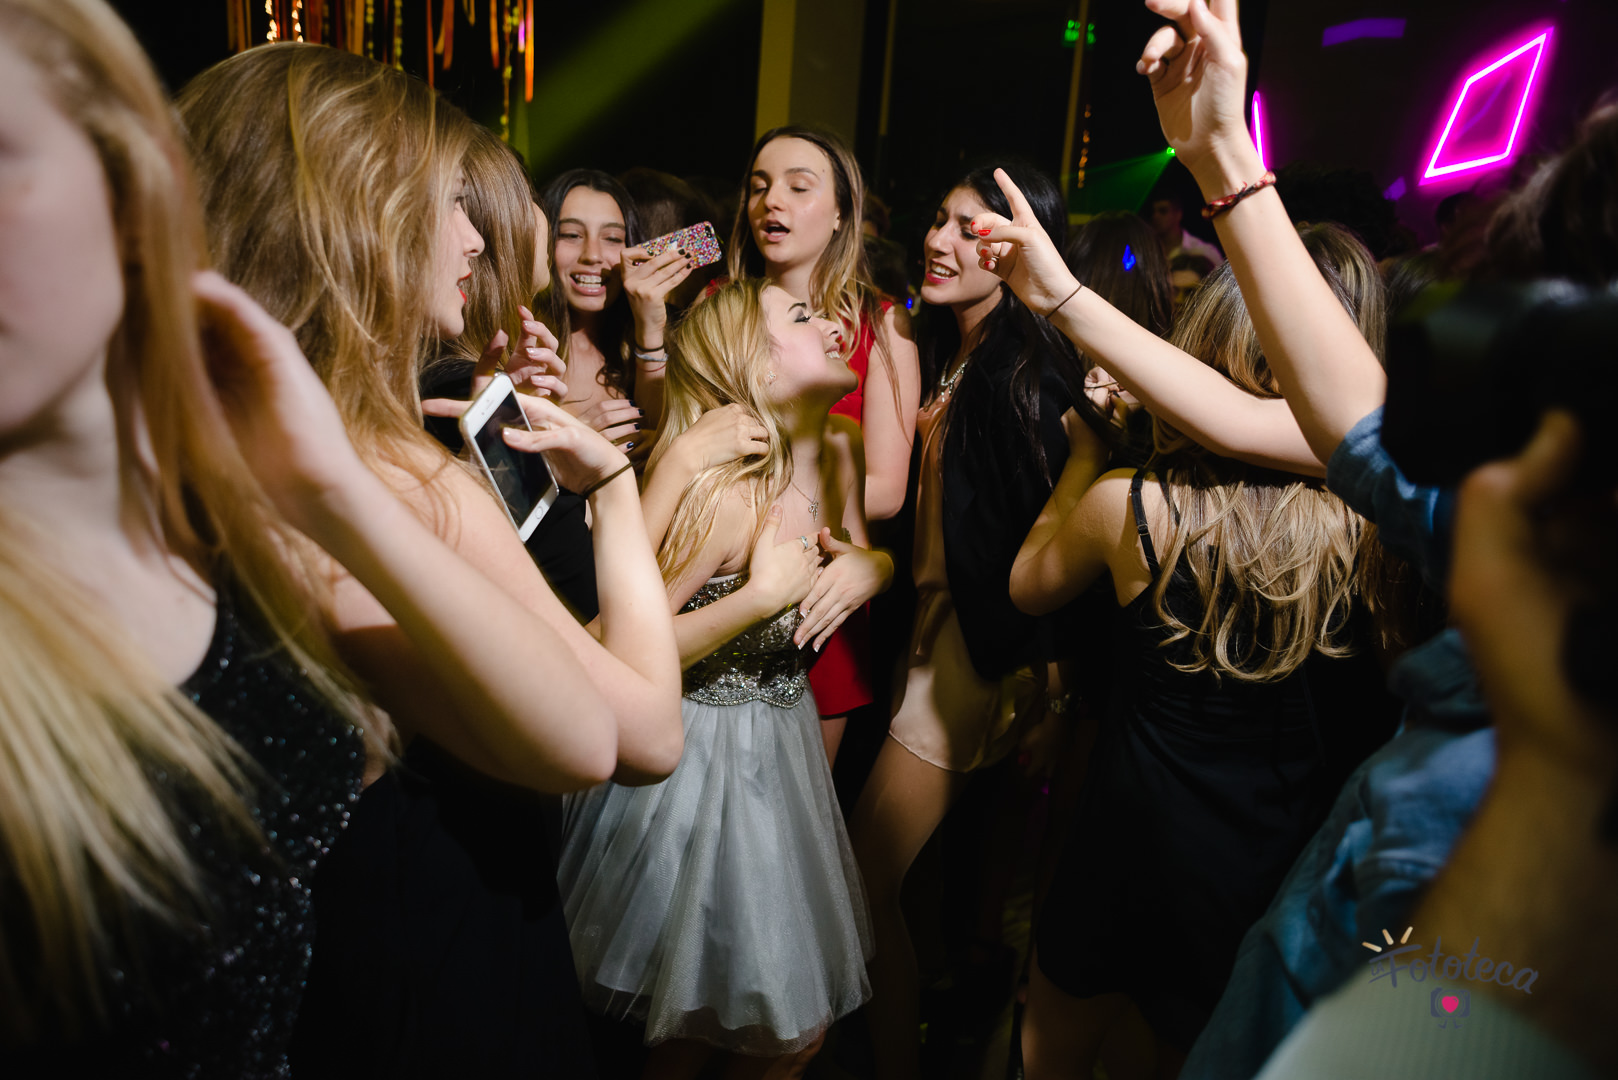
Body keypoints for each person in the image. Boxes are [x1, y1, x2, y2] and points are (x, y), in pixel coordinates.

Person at [0, 2, 651, 1073]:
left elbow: (585, 733)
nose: (477, 240)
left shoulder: (284, 480)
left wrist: (335, 485)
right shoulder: (321, 482)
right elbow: (613, 736)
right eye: (446, 205)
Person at [178, 43, 683, 1077]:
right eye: (450, 202)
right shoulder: (395, 469)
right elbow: (635, 735)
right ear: (354, 219)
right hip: (437, 962)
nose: (476, 237)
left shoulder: (185, 446)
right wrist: (615, 489)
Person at [1006, 214, 1399, 1077]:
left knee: (1051, 1051)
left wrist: (1086, 458)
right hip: (1268, 858)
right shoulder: (1379, 530)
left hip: (1126, 838)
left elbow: (1028, 584)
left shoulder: (1133, 504)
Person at [559, 279, 891, 1079]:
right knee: (710, 1024)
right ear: (756, 365)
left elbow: (854, 545)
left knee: (764, 1024)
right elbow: (616, 651)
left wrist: (874, 566)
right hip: (702, 763)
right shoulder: (729, 498)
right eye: (804, 317)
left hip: (781, 746)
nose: (835, 324)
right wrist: (757, 599)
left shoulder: (841, 449)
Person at [847, 162, 1096, 1080]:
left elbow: (1056, 534)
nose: (939, 241)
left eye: (970, 228)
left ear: (1019, 248)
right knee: (905, 882)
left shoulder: (1024, 373)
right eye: (940, 221)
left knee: (863, 880)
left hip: (971, 652)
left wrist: (1050, 684)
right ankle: (915, 1029)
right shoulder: (963, 352)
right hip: (934, 632)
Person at [728, 124, 922, 761]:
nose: (771, 201)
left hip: (821, 589)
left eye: (797, 186)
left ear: (841, 212)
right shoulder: (718, 307)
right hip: (723, 578)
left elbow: (888, 491)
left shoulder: (881, 325)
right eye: (760, 186)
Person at [542, 168, 692, 458]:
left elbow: (660, 441)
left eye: (612, 238)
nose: (592, 255)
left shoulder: (663, 338)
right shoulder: (520, 345)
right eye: (571, 235)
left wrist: (649, 330)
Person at [1148, 191, 1224, 266]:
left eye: (1163, 211)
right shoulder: (1149, 253)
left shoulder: (1203, 251)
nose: (1155, 216)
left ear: (1178, 214)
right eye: (1152, 212)